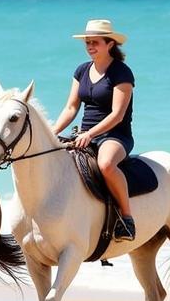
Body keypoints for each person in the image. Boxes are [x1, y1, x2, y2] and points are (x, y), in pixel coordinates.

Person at [51, 19, 137, 242]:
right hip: (84, 134)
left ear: (109, 44)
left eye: (95, 42)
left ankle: (127, 219)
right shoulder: (81, 70)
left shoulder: (121, 73)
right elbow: (71, 108)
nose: (90, 46)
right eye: (87, 43)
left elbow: (117, 114)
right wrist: (52, 132)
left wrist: (90, 134)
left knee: (106, 165)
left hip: (115, 135)